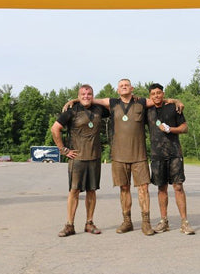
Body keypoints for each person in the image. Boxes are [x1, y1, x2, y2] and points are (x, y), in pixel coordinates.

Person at [71, 79, 182, 236]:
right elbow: (90, 99)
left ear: (132, 88)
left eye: (126, 85)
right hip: (119, 156)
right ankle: (127, 222)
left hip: (139, 155)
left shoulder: (142, 103)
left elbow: (159, 100)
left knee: (143, 189)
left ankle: (146, 223)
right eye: (121, 85)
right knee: (124, 189)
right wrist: (74, 100)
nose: (124, 87)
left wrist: (175, 100)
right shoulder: (112, 103)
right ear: (118, 90)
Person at [51, 84, 109, 237]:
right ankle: (69, 225)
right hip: (77, 158)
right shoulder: (71, 111)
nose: (86, 96)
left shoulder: (99, 110)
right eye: (83, 94)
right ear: (78, 95)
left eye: (89, 94)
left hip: (94, 157)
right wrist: (63, 150)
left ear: (93, 95)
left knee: (92, 191)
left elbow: (114, 103)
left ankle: (89, 223)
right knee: (74, 191)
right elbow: (55, 128)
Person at [146, 83, 194, 235]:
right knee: (161, 188)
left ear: (163, 93)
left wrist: (171, 129)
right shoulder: (147, 110)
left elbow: (185, 128)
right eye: (153, 94)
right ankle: (164, 221)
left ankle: (184, 222)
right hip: (157, 155)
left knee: (178, 187)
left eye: (159, 93)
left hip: (174, 154)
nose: (156, 96)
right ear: (150, 96)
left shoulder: (173, 108)